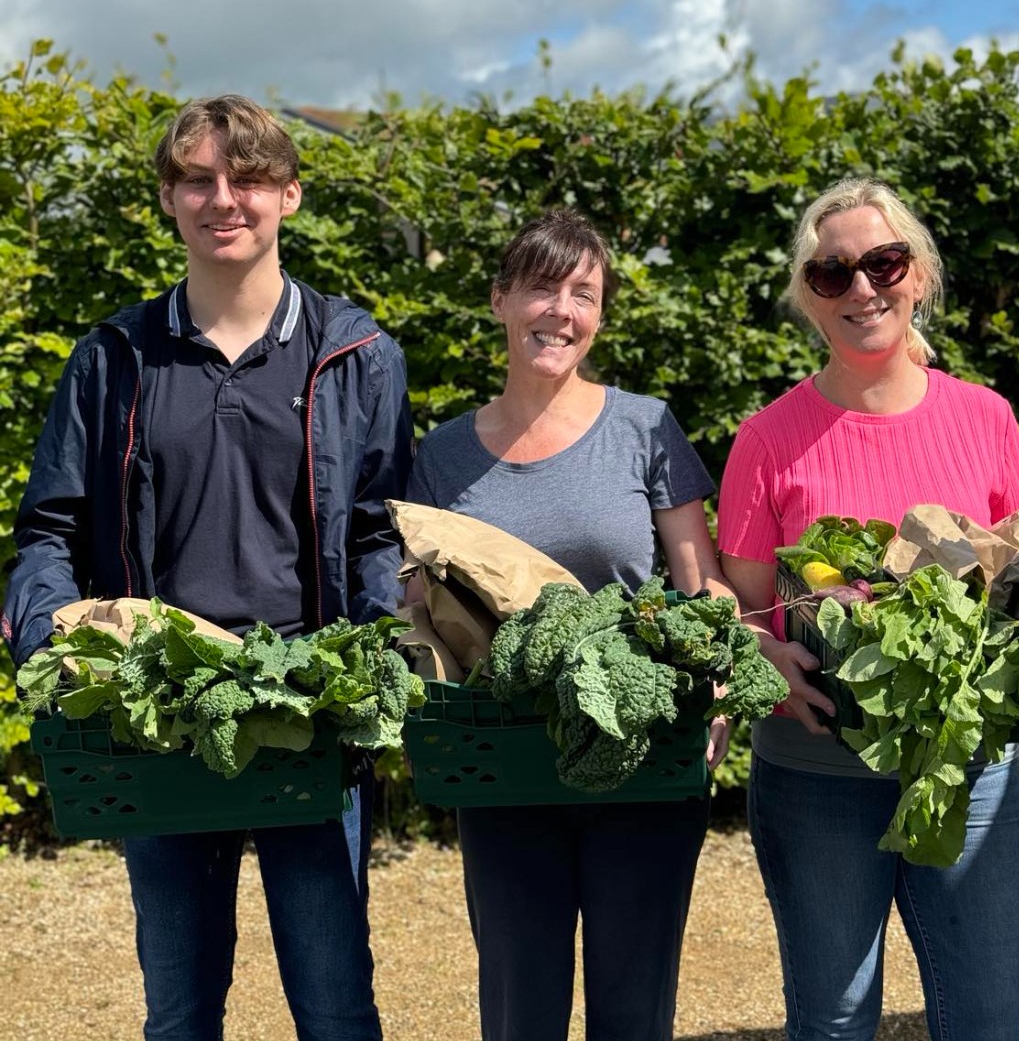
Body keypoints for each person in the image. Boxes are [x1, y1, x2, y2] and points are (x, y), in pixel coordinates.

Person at [1, 95, 412, 1041]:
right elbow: (49, 531)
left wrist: (378, 652)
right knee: (179, 1013)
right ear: (168, 199)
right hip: (162, 712)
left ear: (290, 197)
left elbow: (381, 534)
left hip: (312, 715)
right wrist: (55, 636)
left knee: (337, 1007)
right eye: (198, 179)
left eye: (249, 179)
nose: (224, 199)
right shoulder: (113, 359)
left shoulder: (357, 355)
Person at [717, 178, 1019, 1041]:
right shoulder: (768, 438)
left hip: (965, 773)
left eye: (883, 262)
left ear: (919, 275)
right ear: (809, 299)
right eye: (833, 274)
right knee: (833, 1022)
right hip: (817, 773)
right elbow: (739, 611)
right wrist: (762, 659)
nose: (863, 288)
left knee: (986, 1018)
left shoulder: (987, 419)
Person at [406, 208, 734, 1041]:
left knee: (635, 1006)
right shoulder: (443, 454)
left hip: (643, 755)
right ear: (500, 301)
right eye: (542, 287)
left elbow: (702, 582)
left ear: (600, 315)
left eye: (582, 294)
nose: (561, 310)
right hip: (505, 759)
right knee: (521, 1005)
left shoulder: (645, 427)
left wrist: (723, 683)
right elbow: (423, 613)